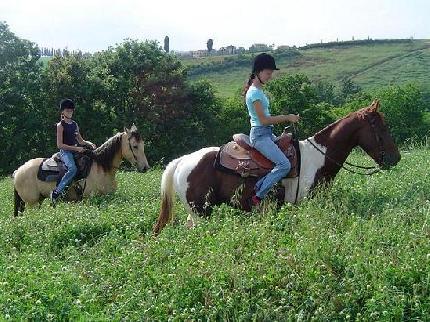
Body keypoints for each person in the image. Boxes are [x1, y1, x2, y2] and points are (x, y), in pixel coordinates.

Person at [244, 53, 300, 206]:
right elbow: (263, 120)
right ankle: (258, 194)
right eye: (268, 73)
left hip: (267, 133)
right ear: (258, 72)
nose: (270, 76)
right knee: (284, 165)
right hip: (260, 136)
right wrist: (287, 117)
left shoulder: (258, 91)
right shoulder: (254, 93)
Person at [50, 99, 96, 204]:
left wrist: (89, 143)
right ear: (63, 112)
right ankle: (56, 192)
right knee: (72, 169)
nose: (70, 112)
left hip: (76, 150)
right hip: (65, 152)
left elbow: (81, 140)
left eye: (71, 111)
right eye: (67, 111)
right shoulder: (60, 126)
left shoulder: (75, 124)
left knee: (88, 163)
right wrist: (77, 149)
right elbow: (59, 145)